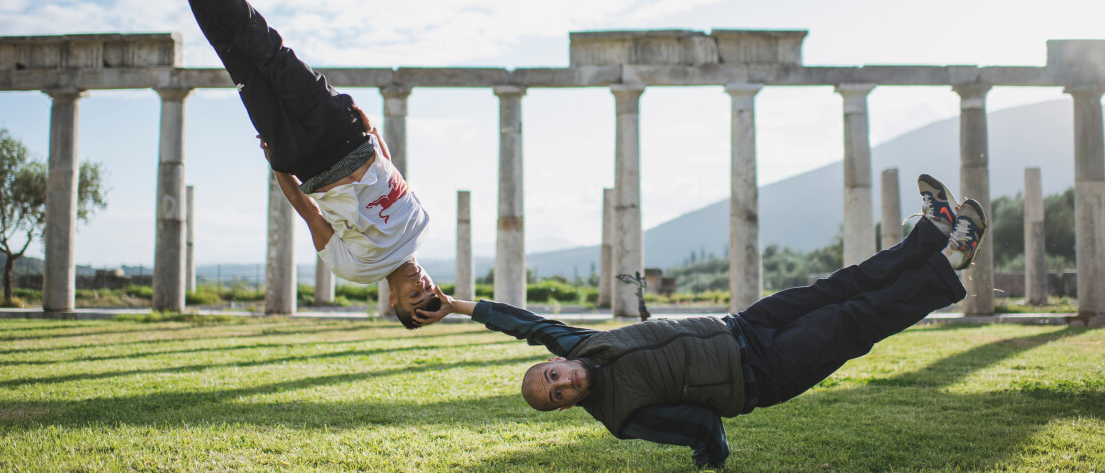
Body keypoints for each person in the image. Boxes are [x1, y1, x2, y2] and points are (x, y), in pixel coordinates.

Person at [416, 175, 989, 468]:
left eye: (552, 376)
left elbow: (524, 322)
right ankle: (949, 264)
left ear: (556, 361)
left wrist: (457, 307)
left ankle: (931, 233)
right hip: (763, 374)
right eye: (559, 396)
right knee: (852, 318)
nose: (564, 384)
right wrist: (711, 459)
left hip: (740, 325)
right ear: (567, 404)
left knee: (840, 286)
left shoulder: (581, 344)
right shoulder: (621, 415)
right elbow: (700, 429)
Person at [125, 0, 440, 328]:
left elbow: (309, 213)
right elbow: (392, 174)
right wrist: (372, 129)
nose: (421, 282)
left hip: (304, 162)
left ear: (392, 297)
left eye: (414, 294)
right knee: (266, 47)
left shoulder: (356, 270)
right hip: (345, 134)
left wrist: (278, 165)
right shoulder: (423, 227)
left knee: (238, 63)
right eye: (429, 288)